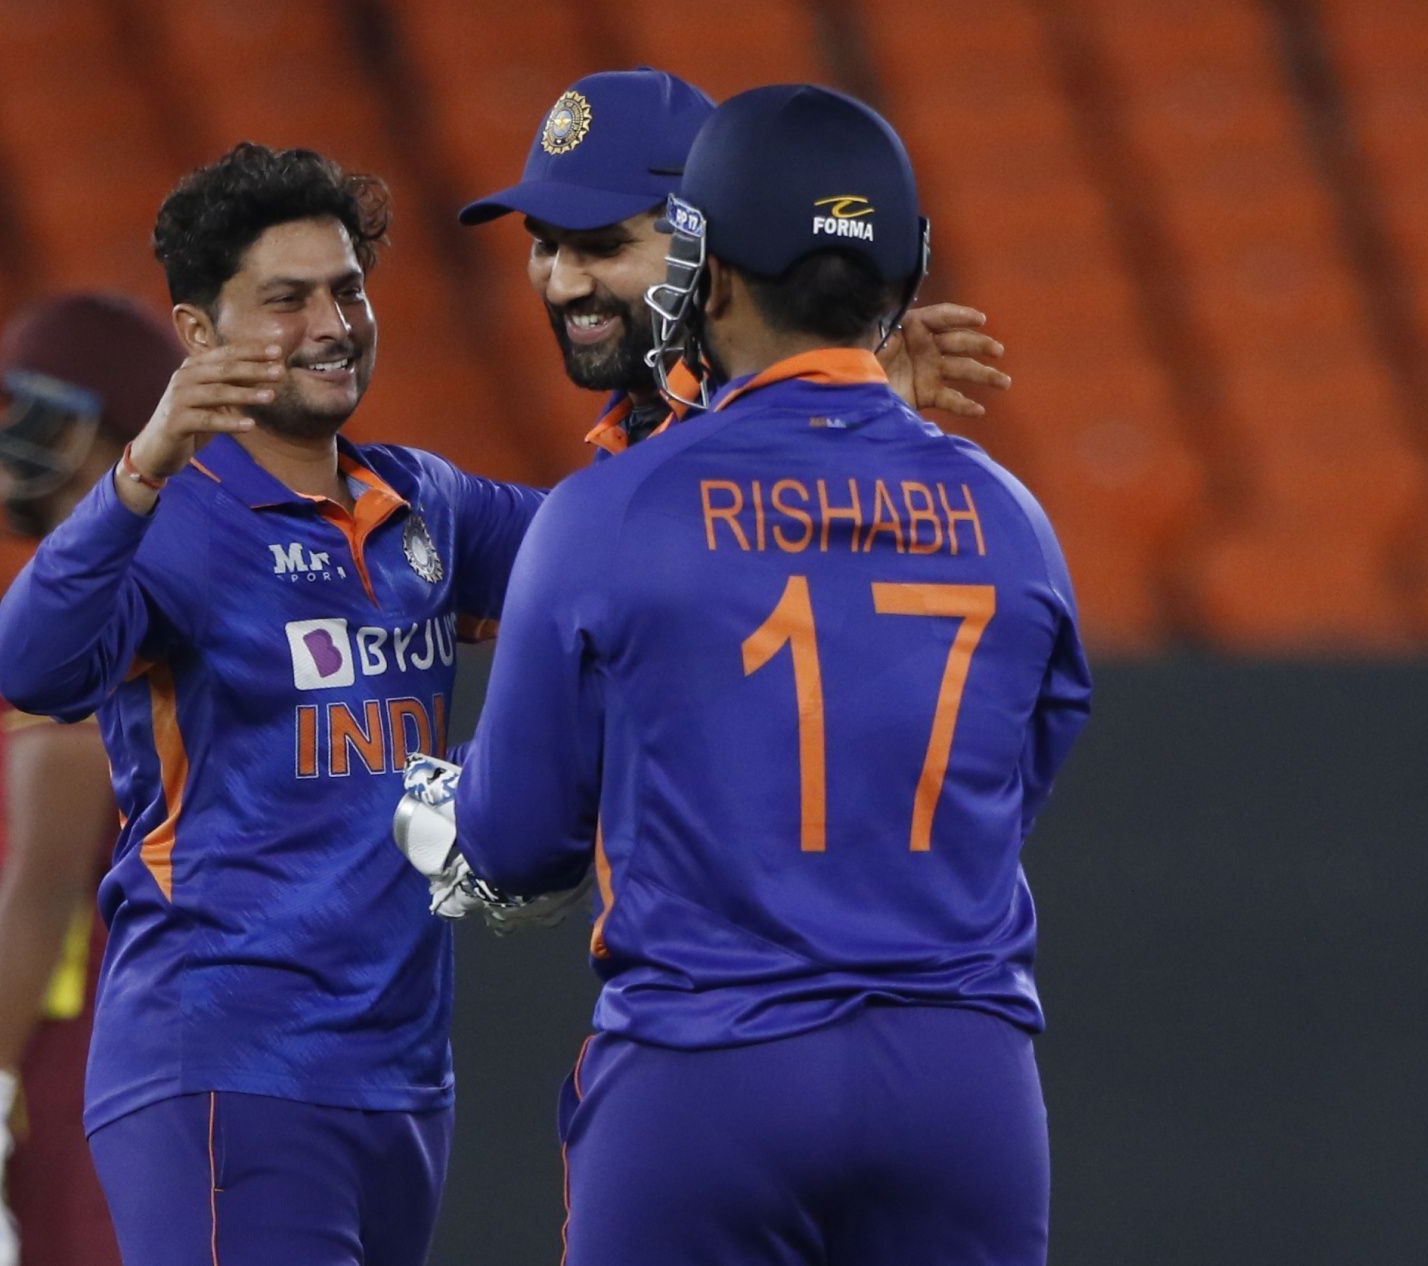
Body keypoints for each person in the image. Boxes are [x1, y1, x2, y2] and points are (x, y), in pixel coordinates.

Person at [413, 85, 1092, 1265]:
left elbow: (518, 843)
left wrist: (442, 812)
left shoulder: (609, 514)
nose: (567, 278)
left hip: (707, 1071)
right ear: (904, 271)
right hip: (962, 1085)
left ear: (704, 272)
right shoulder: (1012, 516)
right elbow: (1005, 782)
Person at [0, 144, 545, 1266]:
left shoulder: (423, 501)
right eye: (287, 300)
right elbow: (28, 666)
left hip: (399, 1077)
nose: (335, 323)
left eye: (347, 288)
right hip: (227, 1060)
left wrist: (815, 411)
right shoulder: (169, 521)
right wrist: (138, 470)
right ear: (200, 336)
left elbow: (624, 561)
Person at [0, 294, 184, 1266]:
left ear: (98, 437)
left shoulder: (95, 604)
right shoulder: (108, 585)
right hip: (95, 1042)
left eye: (27, 411)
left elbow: (47, 878)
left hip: (83, 1046)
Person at [458, 67, 1011, 459]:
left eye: (604, 247)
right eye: (545, 247)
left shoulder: (746, 435)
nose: (560, 286)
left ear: (704, 243)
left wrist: (851, 426)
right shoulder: (642, 420)